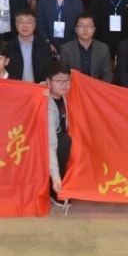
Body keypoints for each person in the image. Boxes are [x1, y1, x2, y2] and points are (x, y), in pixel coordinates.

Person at [58, 12, 113, 83]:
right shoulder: (66, 49)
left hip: (96, 87)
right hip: (75, 87)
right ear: (76, 29)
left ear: (94, 29)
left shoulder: (103, 48)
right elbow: (63, 75)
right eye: (81, 26)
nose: (85, 29)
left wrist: (96, 88)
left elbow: (108, 76)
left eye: (89, 26)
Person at [46, 62, 73, 205]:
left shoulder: (64, 95)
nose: (64, 85)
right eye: (59, 81)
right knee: (63, 142)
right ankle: (54, 188)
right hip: (44, 144)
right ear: (48, 82)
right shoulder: (47, 104)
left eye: (67, 80)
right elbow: (50, 144)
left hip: (59, 137)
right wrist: (56, 178)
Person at [7, 10, 54, 83]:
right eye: (21, 22)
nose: (25, 26)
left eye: (29, 22)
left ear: (35, 25)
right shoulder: (8, 46)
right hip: (14, 87)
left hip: (38, 87)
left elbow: (49, 71)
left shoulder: (45, 46)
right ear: (16, 25)